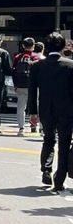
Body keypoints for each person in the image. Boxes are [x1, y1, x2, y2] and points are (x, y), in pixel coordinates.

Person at [28, 32, 73, 191]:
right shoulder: (70, 65)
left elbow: (32, 91)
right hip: (67, 110)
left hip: (46, 109)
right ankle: (59, 178)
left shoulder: (37, 66)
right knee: (64, 143)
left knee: (48, 139)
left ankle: (46, 169)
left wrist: (32, 112)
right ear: (62, 47)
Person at [12, 37, 37, 136]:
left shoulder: (18, 57)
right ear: (33, 46)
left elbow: (13, 71)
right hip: (33, 86)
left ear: (23, 46)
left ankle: (21, 128)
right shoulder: (36, 58)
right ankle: (34, 126)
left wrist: (15, 84)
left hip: (21, 85)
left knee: (21, 107)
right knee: (34, 106)